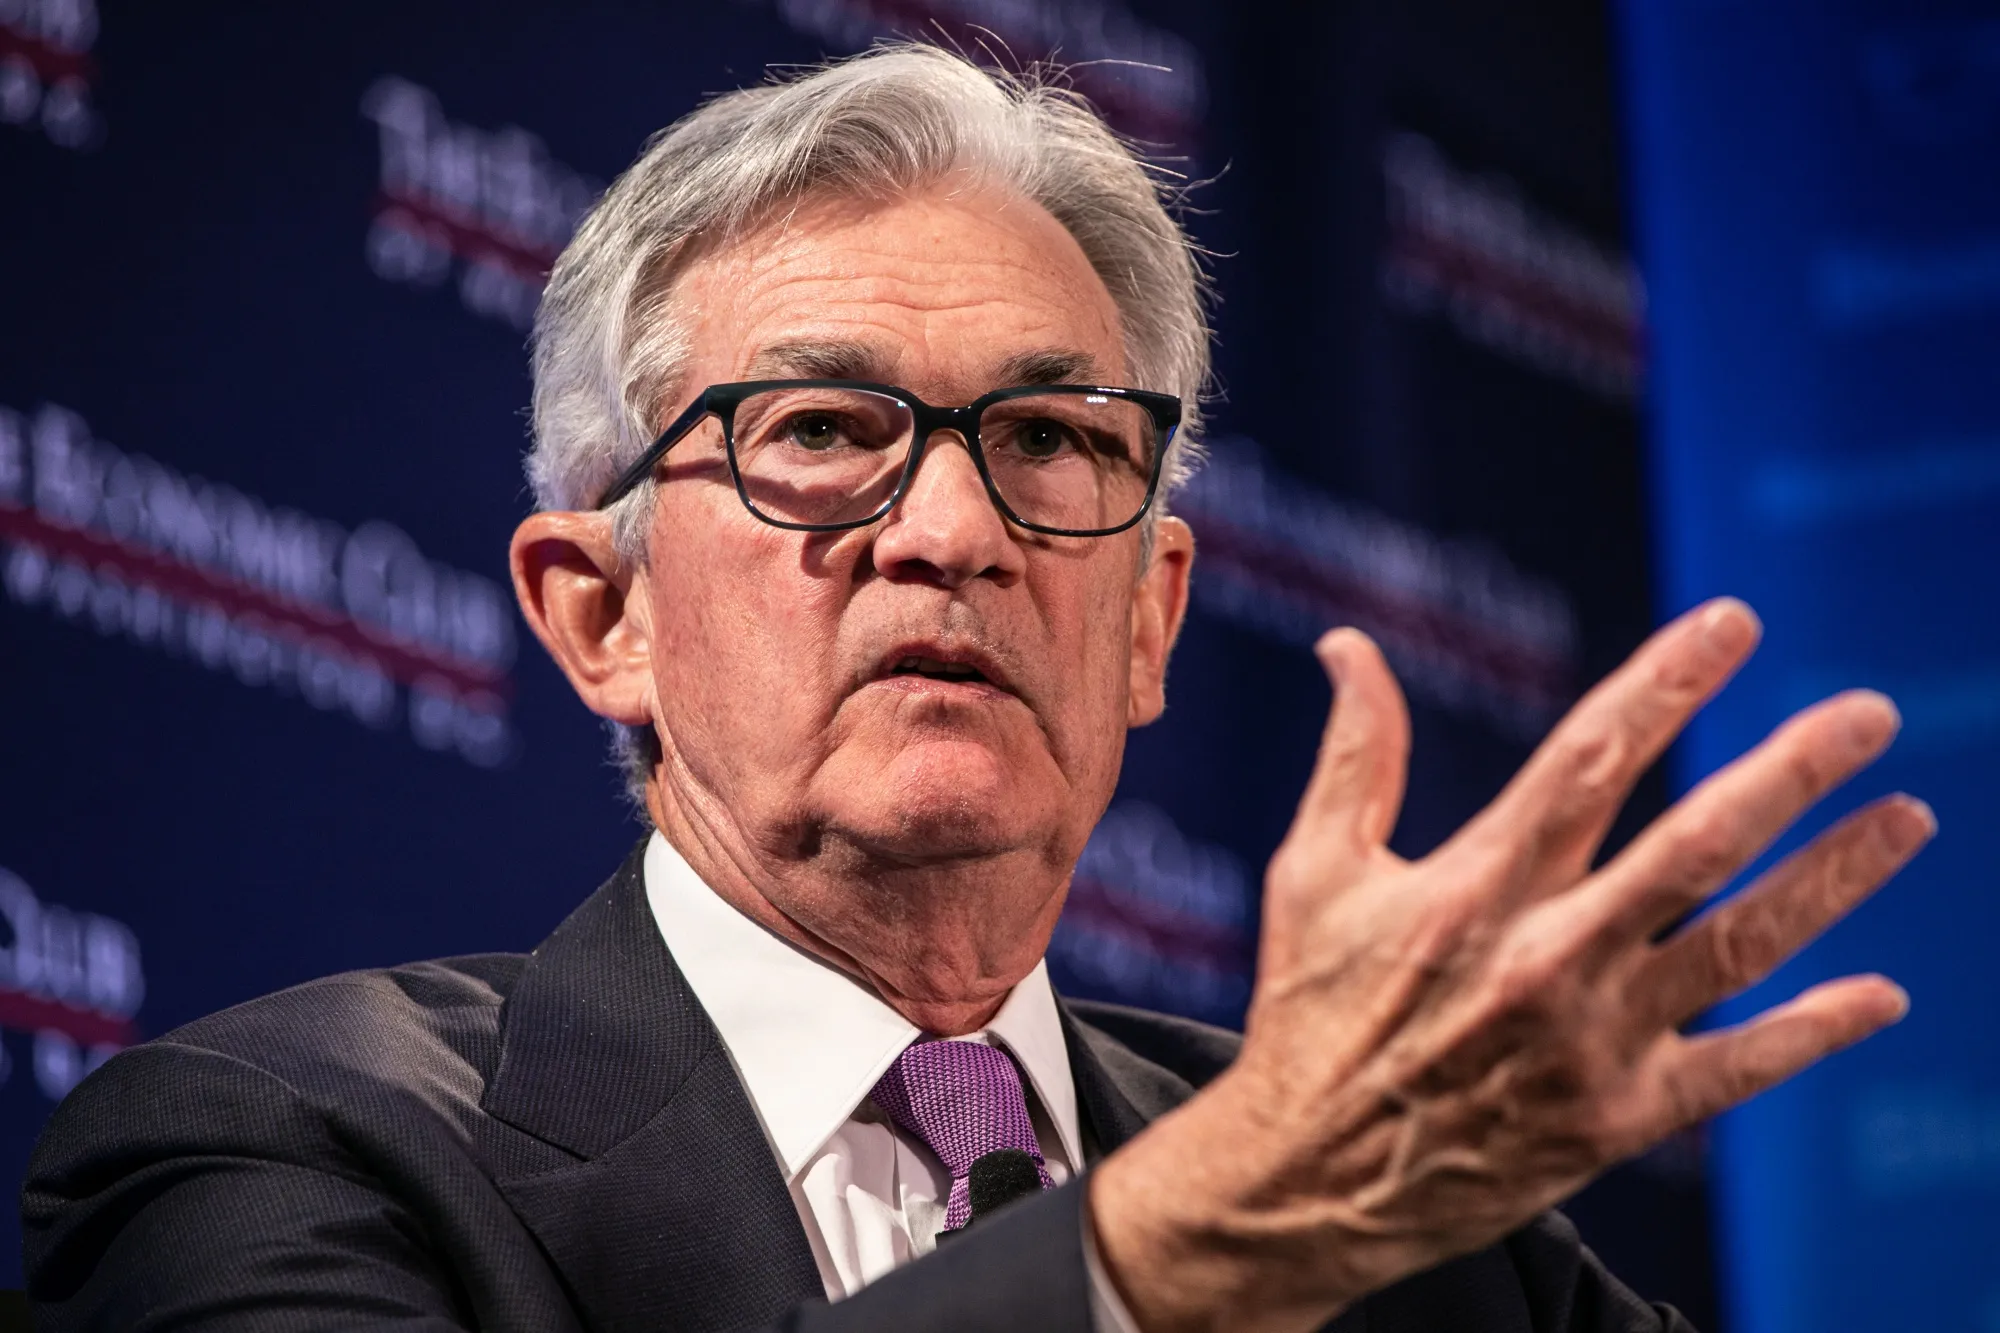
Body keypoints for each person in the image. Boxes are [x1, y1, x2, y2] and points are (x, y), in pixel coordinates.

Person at [21, 43, 1931, 1333]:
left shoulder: (1424, 1226)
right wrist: (1175, 1256)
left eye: (1051, 439)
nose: (951, 530)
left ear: (1151, 619)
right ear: (603, 614)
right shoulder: (276, 1146)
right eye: (822, 429)